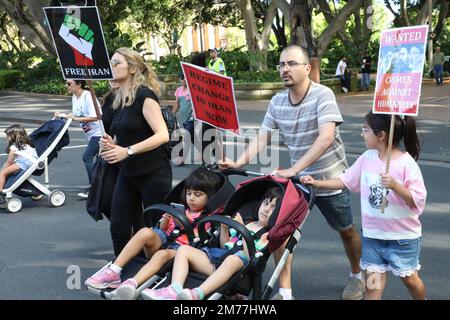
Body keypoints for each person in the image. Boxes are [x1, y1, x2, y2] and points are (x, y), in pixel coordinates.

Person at [219, 45, 364, 300]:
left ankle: (357, 275)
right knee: (280, 231)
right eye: (281, 64)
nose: (284, 69)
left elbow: (326, 137)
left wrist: (295, 168)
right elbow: (263, 136)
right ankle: (285, 293)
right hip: (297, 182)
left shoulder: (322, 95)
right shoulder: (277, 101)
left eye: (291, 64)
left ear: (307, 68)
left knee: (346, 230)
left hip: (329, 177)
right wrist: (239, 162)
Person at [301, 111, 427, 300]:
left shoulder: (407, 164)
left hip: (403, 239)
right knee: (372, 287)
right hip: (373, 238)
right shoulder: (367, 158)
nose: (362, 134)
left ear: (381, 135)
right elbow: (345, 180)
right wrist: (318, 183)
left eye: (365, 130)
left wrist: (395, 186)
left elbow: (417, 199)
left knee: (411, 280)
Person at [84, 166, 221, 299]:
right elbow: (162, 230)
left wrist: (186, 227)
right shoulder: (181, 209)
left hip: (182, 251)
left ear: (210, 197)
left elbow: (202, 240)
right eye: (189, 193)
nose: (191, 198)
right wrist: (166, 220)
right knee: (145, 232)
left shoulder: (208, 218)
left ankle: (132, 283)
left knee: (162, 254)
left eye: (198, 195)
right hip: (166, 241)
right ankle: (114, 270)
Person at [141, 187, 282, 300]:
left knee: (234, 259)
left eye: (273, 207)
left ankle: (198, 293)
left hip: (239, 268)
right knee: (184, 250)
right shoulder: (248, 222)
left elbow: (250, 256)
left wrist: (243, 232)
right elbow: (225, 246)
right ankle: (174, 289)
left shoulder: (266, 234)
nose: (267, 209)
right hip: (218, 260)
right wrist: (225, 230)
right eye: (266, 203)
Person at [100, 47, 172, 256]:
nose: (110, 67)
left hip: (153, 172)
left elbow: (162, 135)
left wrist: (127, 151)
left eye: (116, 63)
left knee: (155, 230)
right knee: (119, 227)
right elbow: (121, 136)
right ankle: (123, 272)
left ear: (131, 69)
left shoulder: (144, 95)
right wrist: (109, 145)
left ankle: (158, 274)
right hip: (128, 172)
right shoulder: (119, 99)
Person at [55, 79, 102, 199]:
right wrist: (63, 115)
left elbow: (96, 116)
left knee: (87, 157)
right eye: (66, 83)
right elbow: (76, 113)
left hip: (100, 132)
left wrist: (75, 119)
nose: (67, 86)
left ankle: (94, 188)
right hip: (90, 134)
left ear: (79, 85)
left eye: (69, 84)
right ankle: (101, 188)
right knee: (100, 163)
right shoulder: (74, 97)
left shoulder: (88, 97)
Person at [0, 124, 38, 200]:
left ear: (13, 136)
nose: (7, 138)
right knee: (5, 172)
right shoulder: (27, 144)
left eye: (8, 136)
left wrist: (2, 171)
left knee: (3, 173)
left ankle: (0, 193)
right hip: (32, 162)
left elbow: (9, 162)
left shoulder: (13, 147)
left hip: (23, 162)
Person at [171, 72, 194, 166]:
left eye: (185, 78)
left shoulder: (192, 90)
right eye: (181, 78)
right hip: (183, 119)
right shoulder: (179, 90)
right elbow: (177, 103)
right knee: (194, 138)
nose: (183, 80)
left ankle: (182, 158)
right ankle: (205, 157)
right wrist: (172, 114)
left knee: (186, 136)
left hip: (192, 118)